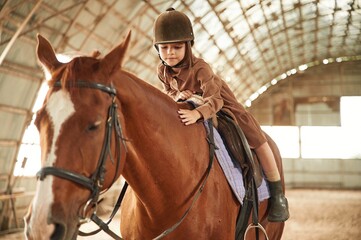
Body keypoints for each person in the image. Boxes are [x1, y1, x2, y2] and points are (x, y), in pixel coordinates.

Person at [153, 7, 289, 222]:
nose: (170, 53)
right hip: (195, 104)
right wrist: (179, 94)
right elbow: (168, 91)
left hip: (224, 105)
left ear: (188, 47)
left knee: (258, 140)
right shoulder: (162, 70)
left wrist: (198, 114)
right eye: (164, 48)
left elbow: (215, 100)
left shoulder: (201, 68)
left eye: (177, 47)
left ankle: (278, 194)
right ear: (157, 48)